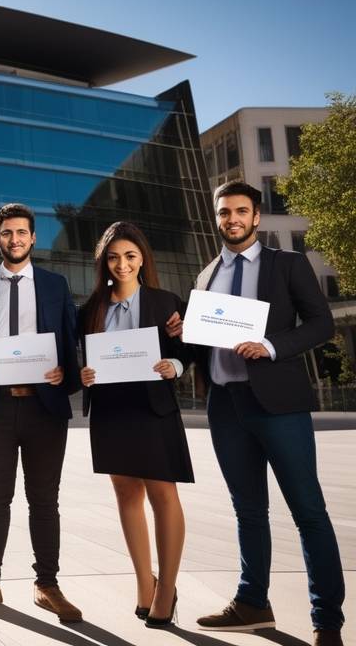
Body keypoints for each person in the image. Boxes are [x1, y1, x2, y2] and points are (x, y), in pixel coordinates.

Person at [178, 181, 344, 646]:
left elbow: (321, 324)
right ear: (216, 218)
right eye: (224, 211)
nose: (232, 218)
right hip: (226, 406)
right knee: (248, 511)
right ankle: (253, 602)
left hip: (279, 405)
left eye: (241, 211)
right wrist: (183, 329)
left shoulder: (287, 265)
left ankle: (327, 620)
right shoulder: (206, 275)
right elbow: (200, 341)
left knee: (309, 511)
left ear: (256, 217)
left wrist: (271, 346)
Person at [0, 202, 82, 622]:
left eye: (21, 232)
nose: (14, 240)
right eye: (7, 233)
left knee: (45, 501)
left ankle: (48, 585)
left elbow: (70, 343)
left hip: (45, 408)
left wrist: (65, 375)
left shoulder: (55, 285)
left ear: (32, 237)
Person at [77, 221, 193, 629]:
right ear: (103, 262)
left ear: (142, 258)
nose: (122, 264)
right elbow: (80, 361)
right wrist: (83, 375)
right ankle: (145, 582)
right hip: (111, 411)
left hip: (152, 409)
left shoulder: (166, 302)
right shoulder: (90, 309)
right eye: (113, 257)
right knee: (126, 494)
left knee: (163, 494)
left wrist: (173, 365)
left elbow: (186, 351)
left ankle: (168, 588)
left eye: (129, 256)